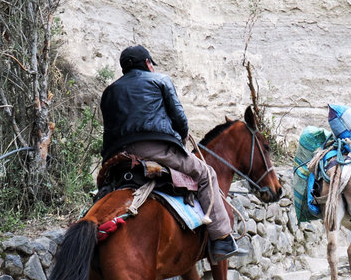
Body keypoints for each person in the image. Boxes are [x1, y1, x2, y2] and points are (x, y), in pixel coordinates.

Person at [99, 45, 246, 262]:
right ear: (148, 63)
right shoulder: (160, 80)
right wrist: (182, 138)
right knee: (207, 174)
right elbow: (180, 119)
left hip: (117, 156)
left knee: (104, 189)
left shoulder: (109, 92)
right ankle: (222, 238)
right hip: (157, 150)